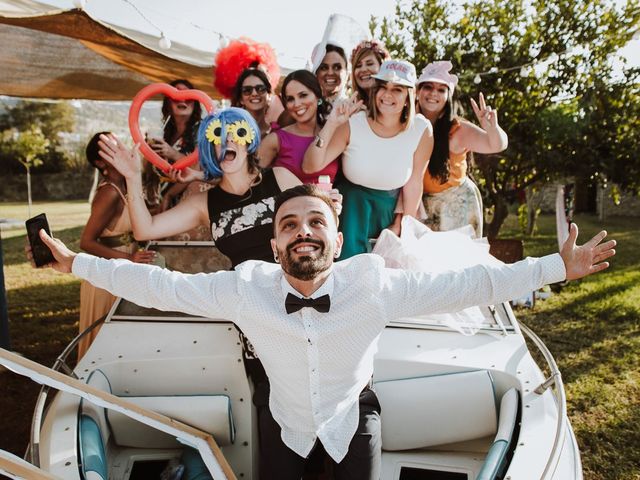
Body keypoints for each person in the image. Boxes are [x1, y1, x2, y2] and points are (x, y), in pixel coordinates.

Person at [34, 184, 615, 479]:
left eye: (318, 222)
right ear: (274, 243)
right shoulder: (245, 287)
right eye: (290, 225)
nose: (303, 232)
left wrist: (558, 267)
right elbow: (160, 288)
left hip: (350, 418)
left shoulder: (375, 285)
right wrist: (74, 264)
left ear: (339, 241)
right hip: (280, 417)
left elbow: (468, 285)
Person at [99, 107, 300, 268]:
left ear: (249, 144)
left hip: (301, 292)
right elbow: (144, 231)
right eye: (219, 134)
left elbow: (322, 219)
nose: (227, 139)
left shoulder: (280, 178)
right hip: (249, 303)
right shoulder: (203, 204)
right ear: (211, 147)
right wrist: (132, 178)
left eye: (237, 133)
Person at [303, 59, 433, 259]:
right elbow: (311, 165)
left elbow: (415, 182)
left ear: (408, 96)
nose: (388, 95)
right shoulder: (355, 123)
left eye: (397, 89)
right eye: (383, 87)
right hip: (351, 211)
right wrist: (332, 123)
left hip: (389, 213)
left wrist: (403, 224)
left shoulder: (421, 129)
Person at [77, 133, 156, 359]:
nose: (118, 150)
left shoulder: (124, 186)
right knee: (104, 337)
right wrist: (129, 259)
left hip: (125, 266)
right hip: (107, 273)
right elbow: (86, 242)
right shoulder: (109, 192)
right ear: (100, 162)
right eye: (109, 149)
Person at [416, 61, 508, 238]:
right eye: (428, 87)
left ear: (448, 96)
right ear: (418, 91)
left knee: (455, 264)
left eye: (441, 89)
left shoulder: (457, 130)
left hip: (456, 209)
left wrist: (492, 128)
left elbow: (496, 144)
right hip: (422, 207)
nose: (434, 93)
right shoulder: (407, 125)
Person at [258, 70, 339, 185]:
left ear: (317, 95)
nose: (296, 104)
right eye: (290, 99)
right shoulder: (275, 139)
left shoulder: (334, 134)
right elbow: (251, 181)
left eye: (303, 95)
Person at [143, 79, 203, 213]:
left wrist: (172, 153)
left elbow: (199, 166)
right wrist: (147, 152)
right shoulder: (163, 133)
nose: (183, 100)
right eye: (177, 97)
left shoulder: (202, 129)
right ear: (168, 102)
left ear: (195, 102)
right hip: (162, 200)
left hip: (190, 201)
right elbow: (150, 170)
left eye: (188, 97)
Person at [231, 66, 284, 138]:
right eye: (247, 90)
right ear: (241, 99)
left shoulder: (278, 134)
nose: (254, 93)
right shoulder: (229, 131)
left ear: (269, 95)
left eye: (260, 89)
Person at [350, 39, 390, 106]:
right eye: (358, 65)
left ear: (382, 66)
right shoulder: (349, 108)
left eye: (370, 64)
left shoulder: (392, 105)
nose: (363, 69)